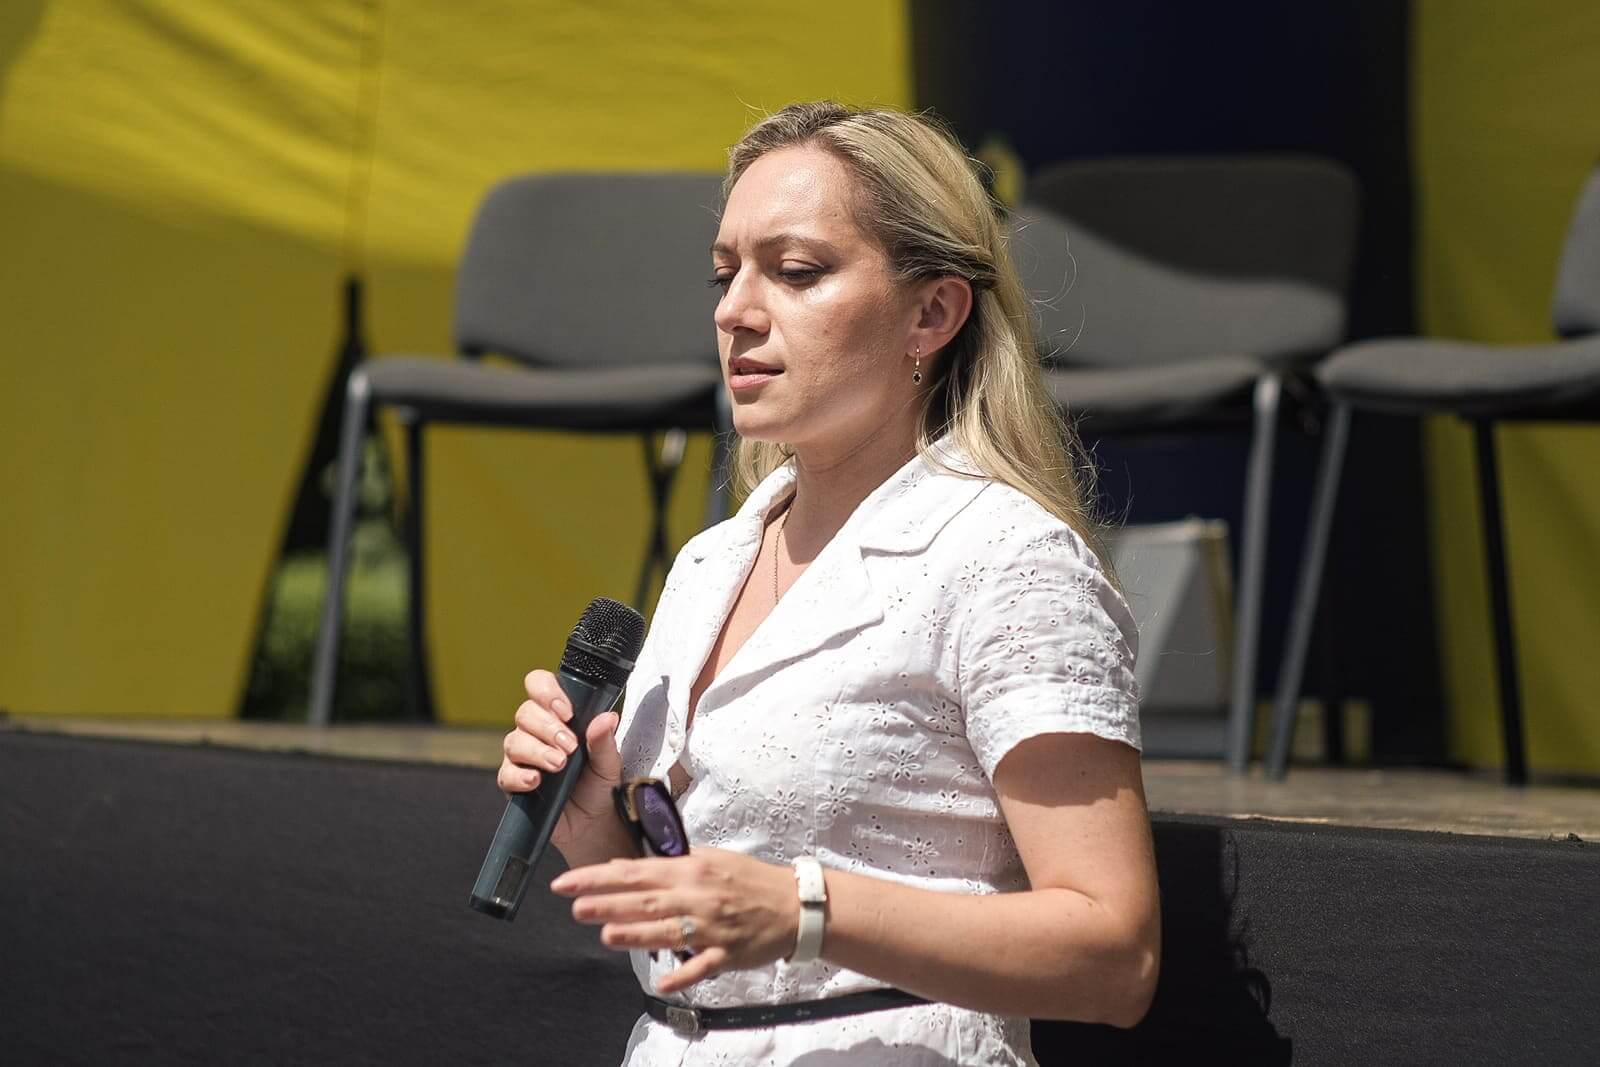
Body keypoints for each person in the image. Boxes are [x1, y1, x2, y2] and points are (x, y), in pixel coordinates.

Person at [498, 101, 1160, 1066]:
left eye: (797, 271)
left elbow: (1115, 954)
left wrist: (806, 907)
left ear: (932, 314)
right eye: (725, 273)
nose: (734, 309)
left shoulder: (1007, 561)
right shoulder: (710, 563)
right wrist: (593, 823)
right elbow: (701, 939)